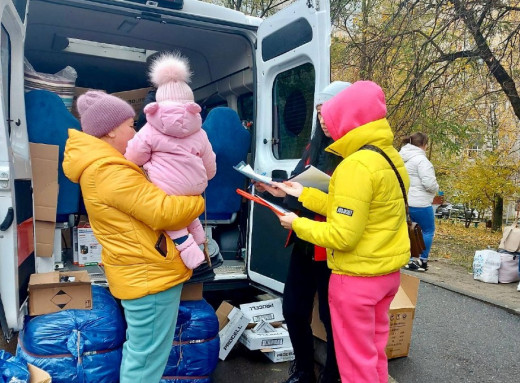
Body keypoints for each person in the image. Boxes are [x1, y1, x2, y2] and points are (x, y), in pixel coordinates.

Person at [272, 81, 410, 383]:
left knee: (355, 368)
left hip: (357, 279)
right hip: (385, 275)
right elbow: (353, 205)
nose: (326, 123)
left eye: (330, 115)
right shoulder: (388, 157)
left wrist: (297, 224)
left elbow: (342, 235)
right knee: (373, 358)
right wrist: (304, 194)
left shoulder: (355, 165)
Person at [63, 91, 205, 383]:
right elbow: (165, 213)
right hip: (148, 275)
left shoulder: (104, 166)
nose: (135, 131)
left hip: (143, 272)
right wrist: (198, 200)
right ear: (111, 130)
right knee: (146, 360)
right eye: (131, 124)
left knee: (143, 353)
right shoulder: (109, 171)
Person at [258, 81, 349, 383]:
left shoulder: (354, 156)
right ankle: (303, 369)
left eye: (328, 112)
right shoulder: (313, 147)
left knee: (331, 318)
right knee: (294, 309)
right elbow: (296, 187)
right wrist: (274, 190)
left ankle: (332, 376)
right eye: (319, 113)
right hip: (304, 242)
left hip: (333, 248)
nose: (322, 120)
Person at [125, 52, 216, 270]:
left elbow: (133, 158)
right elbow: (210, 164)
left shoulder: (149, 130)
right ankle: (201, 239)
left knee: (172, 220)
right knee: (187, 212)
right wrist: (203, 178)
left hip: (165, 190)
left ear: (157, 103)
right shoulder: (200, 133)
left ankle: (190, 253)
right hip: (194, 187)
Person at [399, 132, 439, 272]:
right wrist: (436, 189)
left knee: (409, 231)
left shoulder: (401, 158)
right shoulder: (422, 161)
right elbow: (429, 183)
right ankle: (421, 260)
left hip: (405, 202)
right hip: (420, 202)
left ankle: (409, 259)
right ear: (423, 145)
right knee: (428, 230)